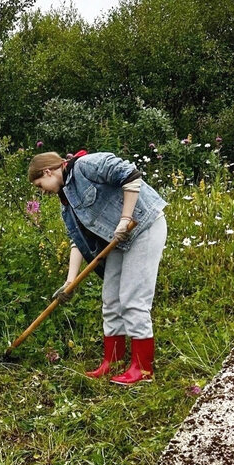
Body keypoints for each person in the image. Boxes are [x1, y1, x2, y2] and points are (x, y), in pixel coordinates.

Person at [28, 150, 168, 385]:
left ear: (48, 171)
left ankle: (143, 369)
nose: (42, 191)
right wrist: (70, 281)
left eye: (40, 185)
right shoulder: (67, 204)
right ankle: (112, 361)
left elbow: (131, 175)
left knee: (133, 299)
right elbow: (78, 241)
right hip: (117, 240)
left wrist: (125, 218)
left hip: (143, 227)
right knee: (111, 300)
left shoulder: (86, 165)